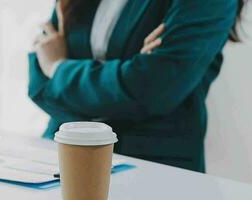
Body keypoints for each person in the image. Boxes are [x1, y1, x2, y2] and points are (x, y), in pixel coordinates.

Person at [28, 0, 244, 172]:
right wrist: (124, 75)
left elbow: (151, 90)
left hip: (152, 170)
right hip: (62, 161)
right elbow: (39, 83)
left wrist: (58, 68)